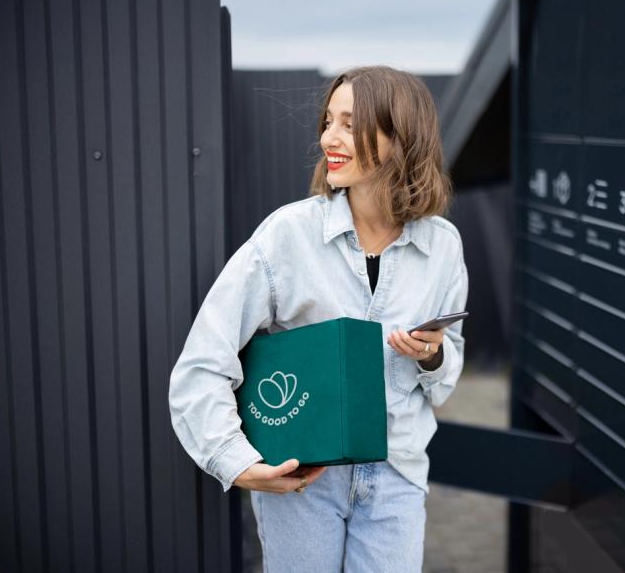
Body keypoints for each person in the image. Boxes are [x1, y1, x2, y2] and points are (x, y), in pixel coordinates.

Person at [169, 65, 468, 572]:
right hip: (303, 476)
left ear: (401, 137)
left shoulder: (443, 245)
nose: (329, 137)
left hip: (398, 476)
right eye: (328, 122)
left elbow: (446, 374)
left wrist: (432, 356)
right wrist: (235, 460)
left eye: (350, 124)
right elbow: (203, 361)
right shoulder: (287, 235)